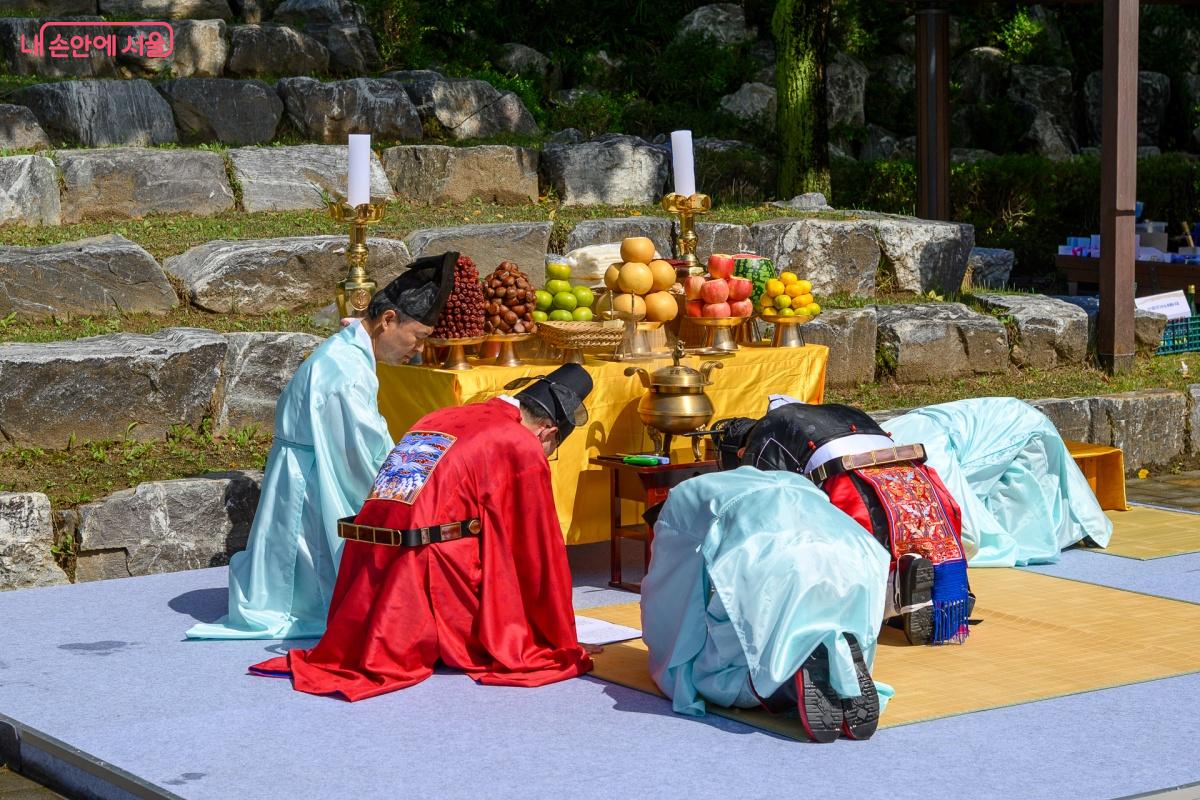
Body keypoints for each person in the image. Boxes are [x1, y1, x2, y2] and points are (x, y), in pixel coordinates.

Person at [249, 364, 597, 700]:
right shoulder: (517, 441)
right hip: (418, 569)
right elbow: (537, 545)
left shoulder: (444, 415)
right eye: (548, 452)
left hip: (364, 554)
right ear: (547, 431)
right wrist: (557, 633)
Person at [186, 252, 457, 641]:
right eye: (419, 337)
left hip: (304, 465)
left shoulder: (350, 352)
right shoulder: (344, 371)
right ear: (388, 320)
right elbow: (360, 455)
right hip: (309, 483)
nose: (418, 350)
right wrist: (415, 484)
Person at [641, 466, 893, 743]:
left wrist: (670, 662)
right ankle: (839, 660)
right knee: (810, 616)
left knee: (718, 667)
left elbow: (673, 601)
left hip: (772, 558)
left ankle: (784, 682)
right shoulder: (786, 481)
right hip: (853, 553)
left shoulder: (680, 509)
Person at [708, 400, 972, 646]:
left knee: (835, 555)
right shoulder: (842, 411)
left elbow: (766, 506)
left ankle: (894, 596)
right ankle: (941, 590)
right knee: (917, 538)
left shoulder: (765, 433)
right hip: (913, 479)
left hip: (850, 485)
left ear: (741, 450)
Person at [884, 397, 1113, 567]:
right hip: (985, 428)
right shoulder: (887, 438)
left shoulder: (926, 451)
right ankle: (1080, 527)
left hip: (1019, 427)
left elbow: (958, 521)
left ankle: (1078, 527)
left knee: (1025, 493)